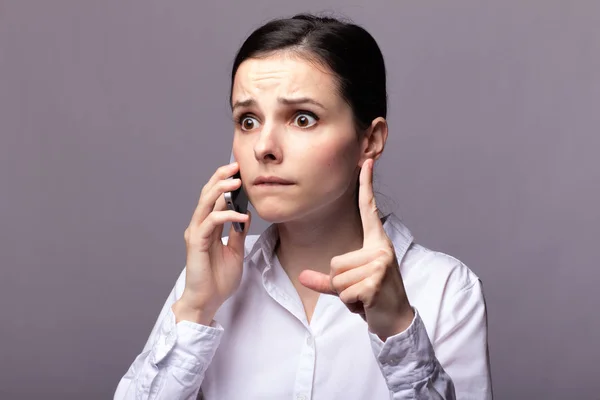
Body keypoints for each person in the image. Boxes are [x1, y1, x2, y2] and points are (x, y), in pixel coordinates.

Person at [114, 13, 492, 400]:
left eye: (302, 118)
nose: (263, 147)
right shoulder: (207, 282)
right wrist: (195, 307)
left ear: (371, 140)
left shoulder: (445, 290)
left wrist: (398, 330)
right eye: (248, 120)